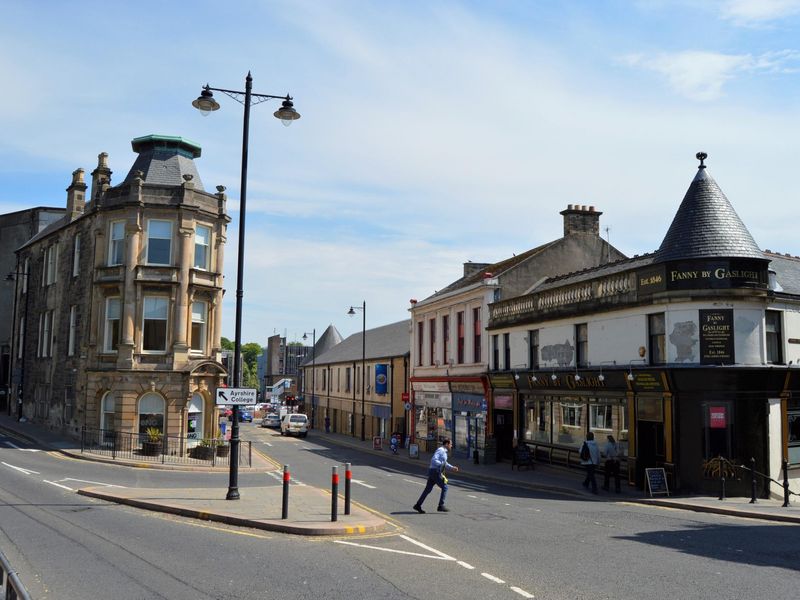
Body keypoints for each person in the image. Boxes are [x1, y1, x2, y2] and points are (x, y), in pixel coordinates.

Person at [413, 438, 459, 513]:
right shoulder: (441, 450)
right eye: (451, 444)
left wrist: (452, 467)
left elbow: (444, 463)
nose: (451, 446)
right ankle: (441, 505)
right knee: (445, 487)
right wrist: (441, 465)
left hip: (433, 471)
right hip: (435, 471)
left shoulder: (444, 451)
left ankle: (418, 505)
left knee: (427, 489)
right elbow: (434, 460)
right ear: (446, 444)